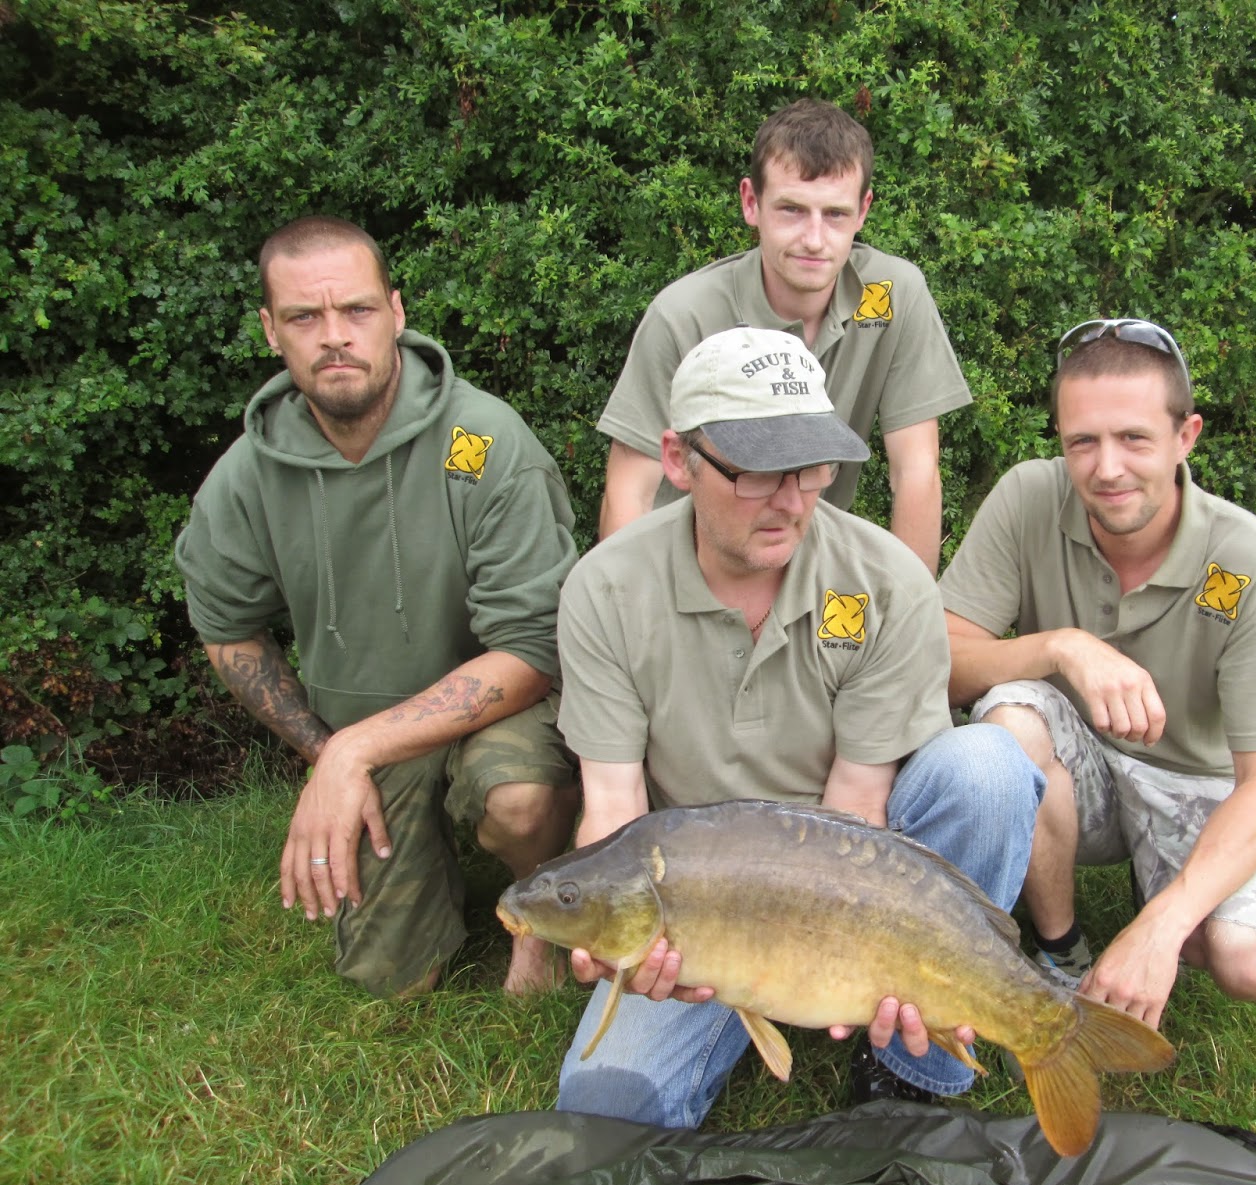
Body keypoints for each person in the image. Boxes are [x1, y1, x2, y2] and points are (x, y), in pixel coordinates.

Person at [554, 325, 1044, 1127]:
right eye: (756, 473)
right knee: (604, 1109)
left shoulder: (886, 581)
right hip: (701, 896)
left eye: (812, 468)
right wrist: (615, 943)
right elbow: (612, 809)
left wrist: (831, 957)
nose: (791, 501)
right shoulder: (605, 590)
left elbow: (859, 804)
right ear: (678, 459)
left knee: (986, 766)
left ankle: (913, 1066)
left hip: (849, 872)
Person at [174, 216, 581, 998]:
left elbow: (533, 652)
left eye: (356, 310)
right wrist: (327, 751)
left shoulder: (483, 443)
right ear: (270, 330)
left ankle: (542, 919)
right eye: (304, 316)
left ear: (395, 312)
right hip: (363, 733)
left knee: (518, 799)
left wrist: (350, 753)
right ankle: (417, 884)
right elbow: (227, 629)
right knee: (391, 981)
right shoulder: (248, 475)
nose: (334, 336)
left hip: (500, 710)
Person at [940, 319, 1256, 1031]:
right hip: (1077, 765)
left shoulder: (1245, 556)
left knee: (1251, 963)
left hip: (1194, 782)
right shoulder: (1028, 498)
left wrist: (1165, 922)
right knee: (1008, 719)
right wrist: (1061, 647)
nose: (1107, 468)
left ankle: (1163, 900)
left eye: (1134, 439)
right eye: (1082, 442)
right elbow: (941, 662)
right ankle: (1060, 948)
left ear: (1187, 436)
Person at [596, 98, 970, 573]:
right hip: (688, 563)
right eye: (792, 209)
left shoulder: (893, 295)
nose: (814, 239)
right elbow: (629, 491)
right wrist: (632, 606)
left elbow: (916, 471)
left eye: (835, 214)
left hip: (801, 558)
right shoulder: (684, 315)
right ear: (751, 202)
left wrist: (910, 609)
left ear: (863, 211)